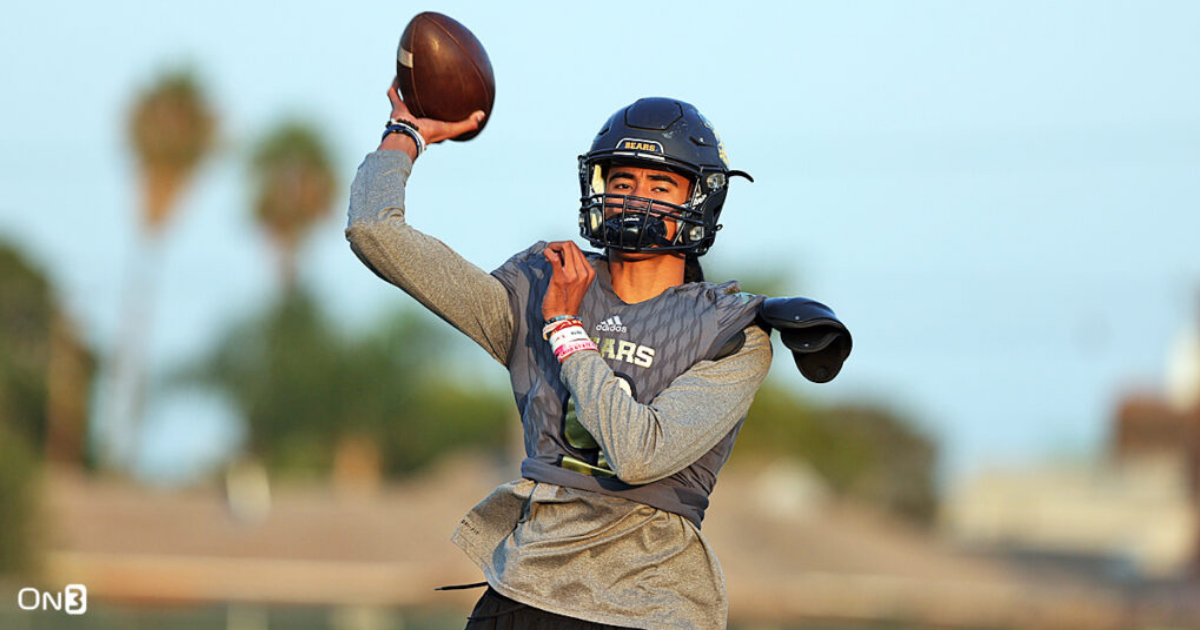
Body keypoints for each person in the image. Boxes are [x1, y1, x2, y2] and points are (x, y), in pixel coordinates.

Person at [347, 82, 790, 629]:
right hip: (526, 588)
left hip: (649, 605)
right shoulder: (541, 282)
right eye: (623, 179)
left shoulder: (733, 329)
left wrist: (564, 327)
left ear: (697, 200)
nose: (635, 197)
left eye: (661, 183)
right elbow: (373, 232)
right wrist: (406, 133)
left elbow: (638, 456)